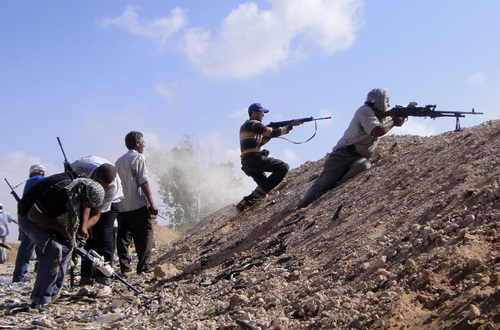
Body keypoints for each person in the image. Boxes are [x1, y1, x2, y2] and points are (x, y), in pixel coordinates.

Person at [298, 88, 406, 208]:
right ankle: (301, 206)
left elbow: (385, 122)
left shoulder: (380, 116)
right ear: (380, 101)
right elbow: (376, 130)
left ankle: (333, 194)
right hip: (343, 154)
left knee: (363, 166)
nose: (388, 105)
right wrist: (394, 121)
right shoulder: (364, 111)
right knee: (323, 183)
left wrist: (403, 113)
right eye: (386, 101)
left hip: (360, 156)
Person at [17, 172, 105, 308]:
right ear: (83, 195)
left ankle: (53, 292)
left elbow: (86, 206)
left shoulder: (81, 187)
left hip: (45, 214)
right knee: (52, 249)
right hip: (28, 216)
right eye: (86, 203)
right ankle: (40, 298)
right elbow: (33, 215)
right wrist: (61, 229)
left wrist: (81, 227)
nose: (85, 206)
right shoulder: (61, 192)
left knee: (66, 246)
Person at [70, 156, 123, 298]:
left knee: (104, 235)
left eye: (105, 185)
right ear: (95, 175)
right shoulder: (80, 167)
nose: (103, 187)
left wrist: (84, 227)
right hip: (86, 193)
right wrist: (82, 228)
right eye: (100, 183)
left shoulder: (111, 187)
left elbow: (97, 213)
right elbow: (87, 203)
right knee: (88, 240)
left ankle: (105, 282)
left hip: (110, 204)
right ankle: (86, 281)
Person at [235, 103, 303, 212]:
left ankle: (243, 205)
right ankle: (249, 200)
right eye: (261, 112)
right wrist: (290, 126)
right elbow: (273, 132)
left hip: (247, 163)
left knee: (265, 186)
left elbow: (260, 142)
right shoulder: (254, 124)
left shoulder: (246, 126)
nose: (263, 115)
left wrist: (269, 135)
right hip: (254, 160)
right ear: (254, 113)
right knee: (283, 167)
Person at [115, 131, 158, 276]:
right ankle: (143, 266)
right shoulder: (139, 158)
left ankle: (125, 267)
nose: (144, 145)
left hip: (121, 205)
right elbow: (143, 181)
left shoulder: (118, 161)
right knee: (145, 234)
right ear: (137, 143)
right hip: (137, 204)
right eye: (143, 142)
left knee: (123, 237)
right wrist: (152, 204)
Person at [12, 164, 46, 282]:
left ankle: (21, 275)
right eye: (40, 172)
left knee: (29, 248)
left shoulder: (33, 181)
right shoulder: (35, 180)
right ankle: (20, 276)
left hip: (29, 217)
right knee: (28, 248)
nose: (42, 174)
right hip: (30, 219)